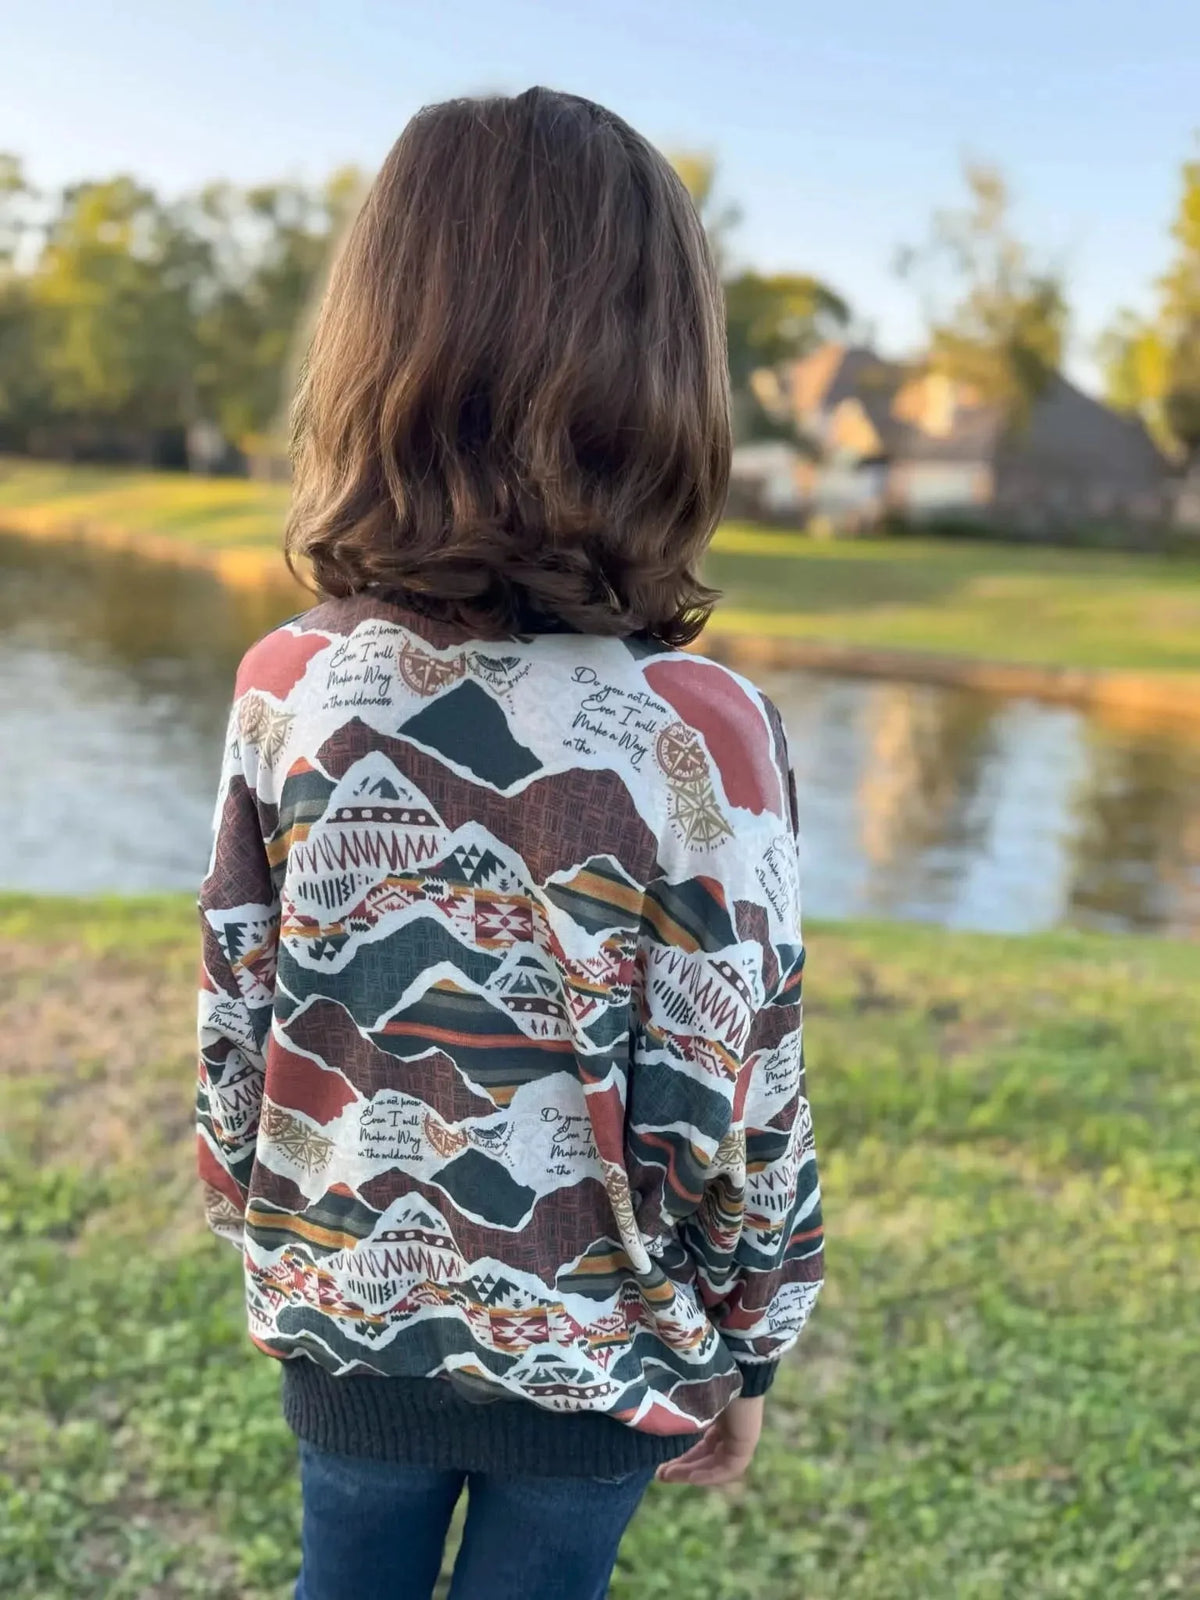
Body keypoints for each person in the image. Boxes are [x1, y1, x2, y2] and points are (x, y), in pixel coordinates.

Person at [196, 86, 823, 1600]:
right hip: (604, 1348)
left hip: (348, 1311)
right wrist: (749, 1344)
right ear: (667, 369)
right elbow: (739, 1096)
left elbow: (238, 1022)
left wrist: (255, 1189)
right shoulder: (703, 735)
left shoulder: (291, 687)